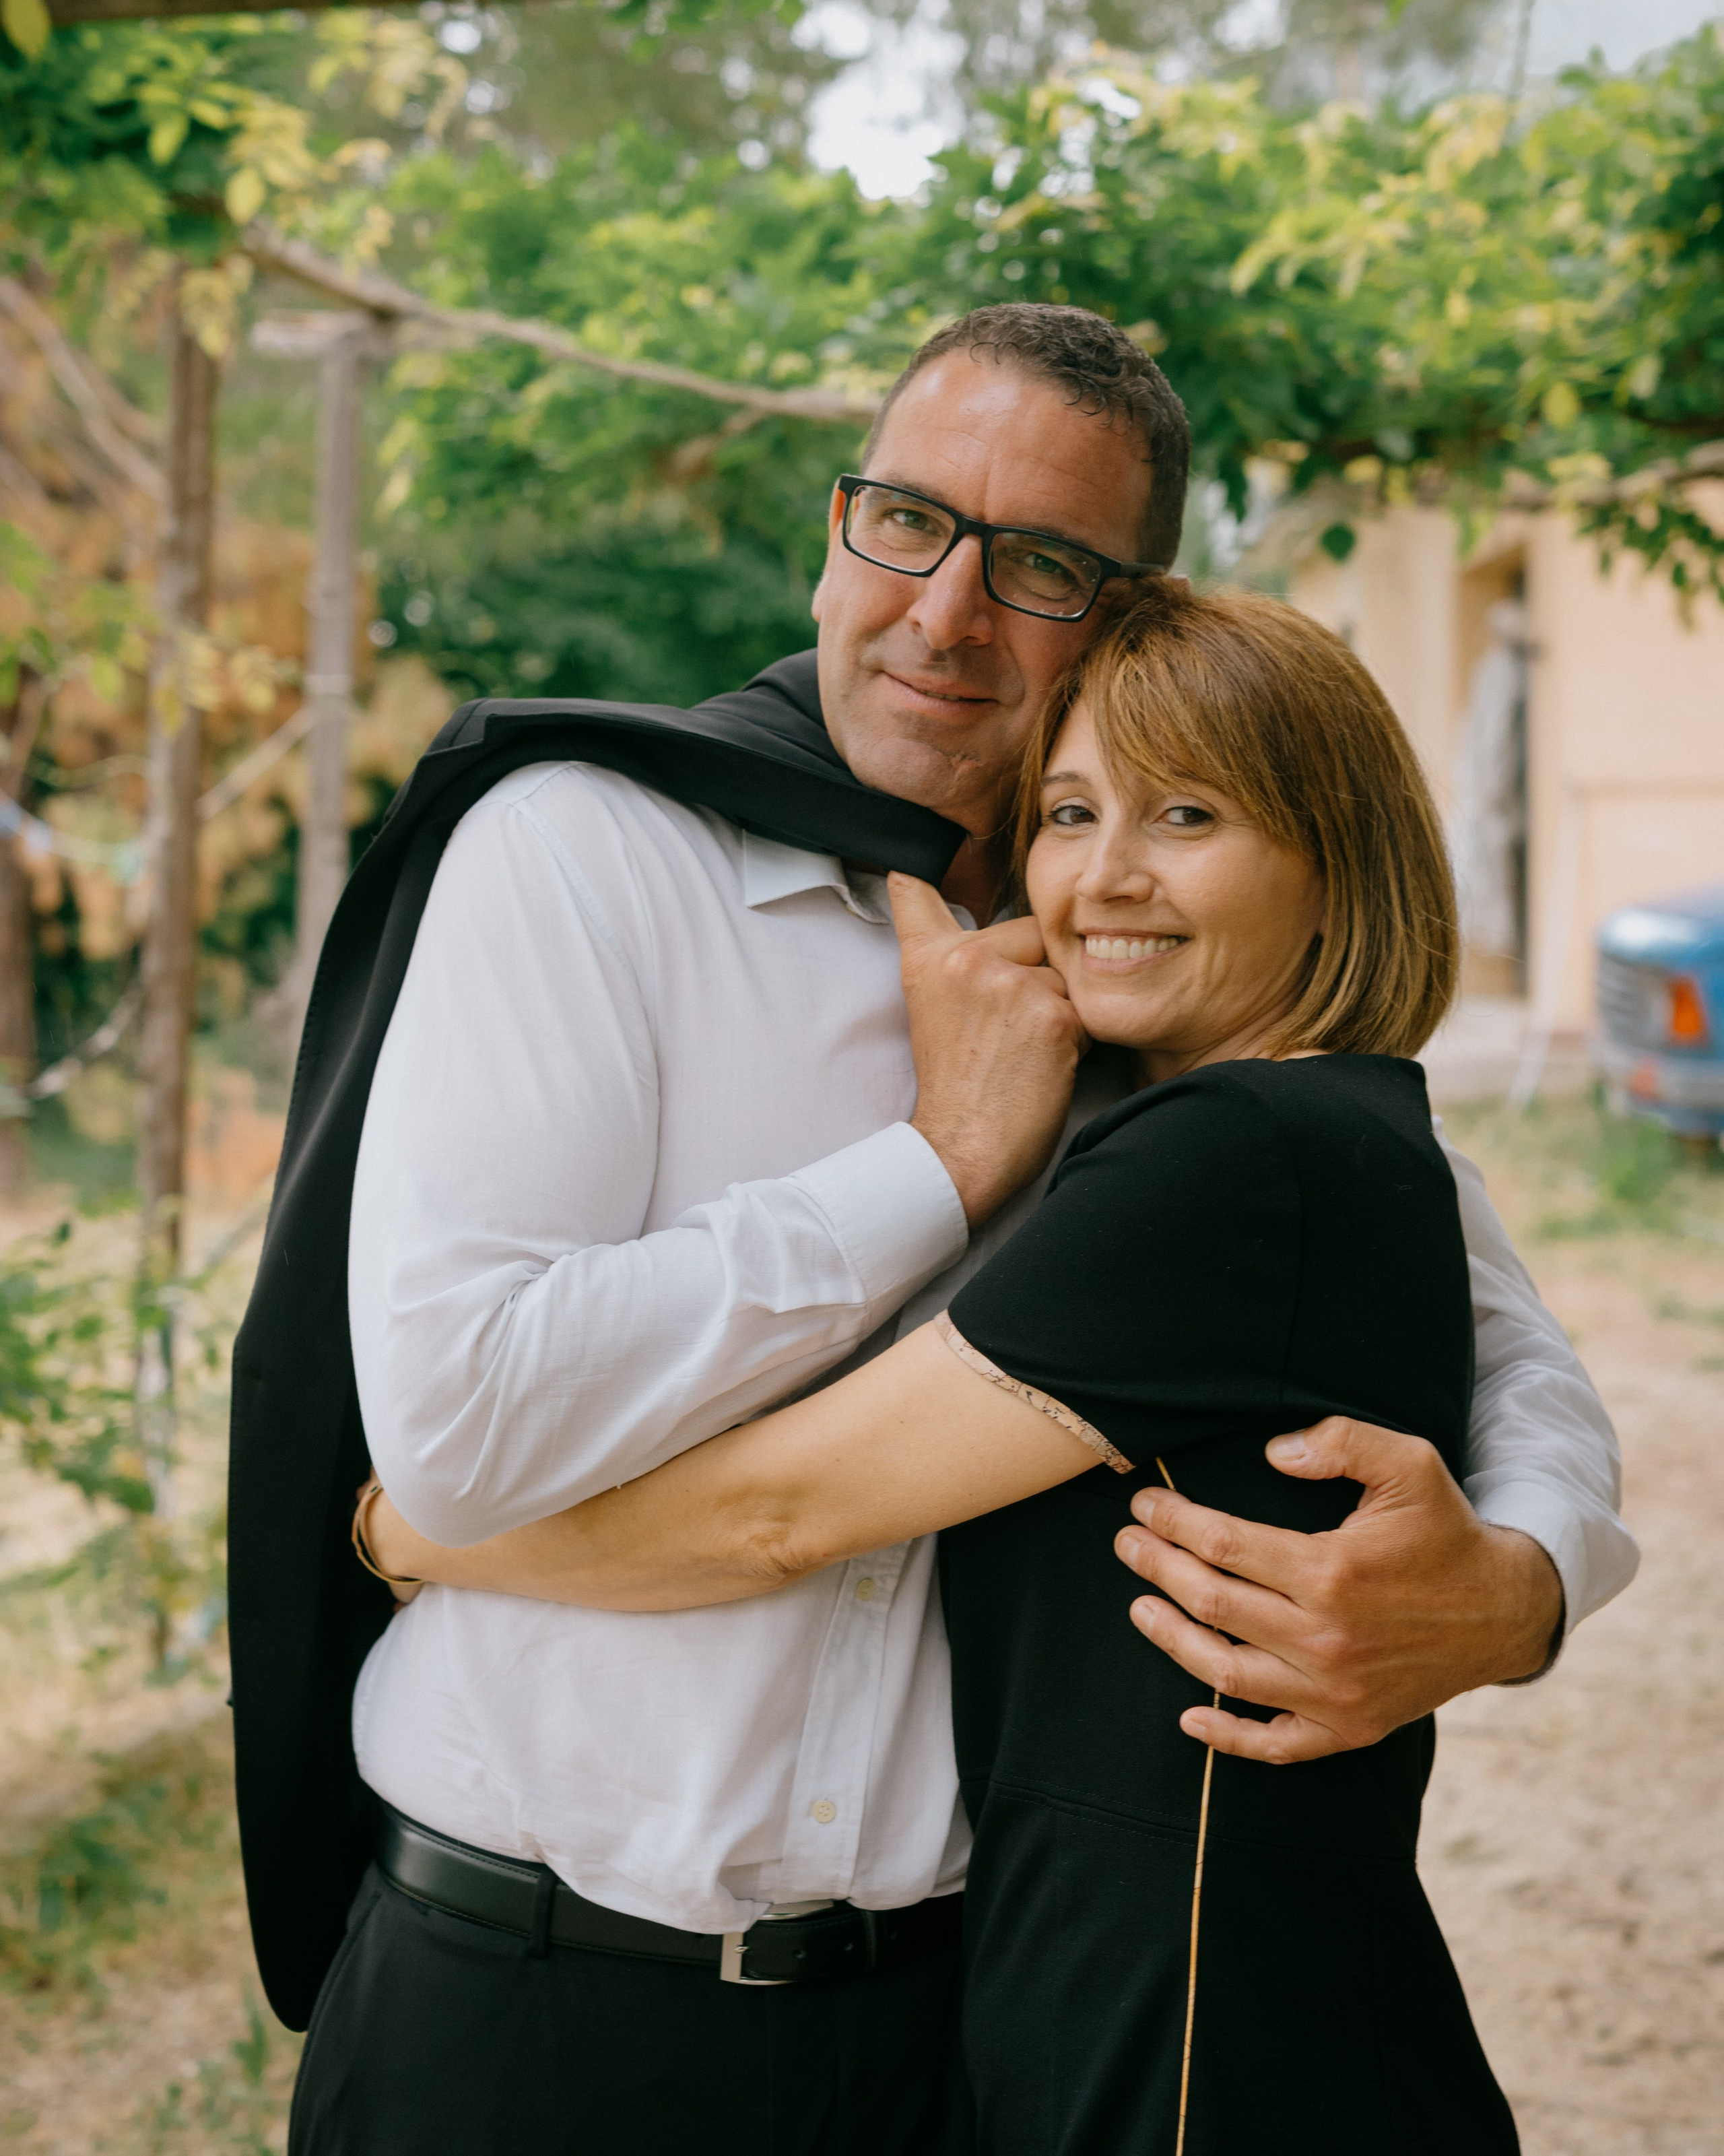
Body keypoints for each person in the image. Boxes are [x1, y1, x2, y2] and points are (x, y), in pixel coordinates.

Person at [282, 306, 1630, 2153]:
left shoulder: (1143, 958)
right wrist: (937, 1161)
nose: (945, 612)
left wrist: (1520, 1585)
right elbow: (463, 1422)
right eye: (908, 522)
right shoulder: (592, 851)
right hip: (528, 1999)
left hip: (949, 2031)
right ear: (835, 533)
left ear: (1129, 617)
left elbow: (1494, 1330)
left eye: (1042, 564)